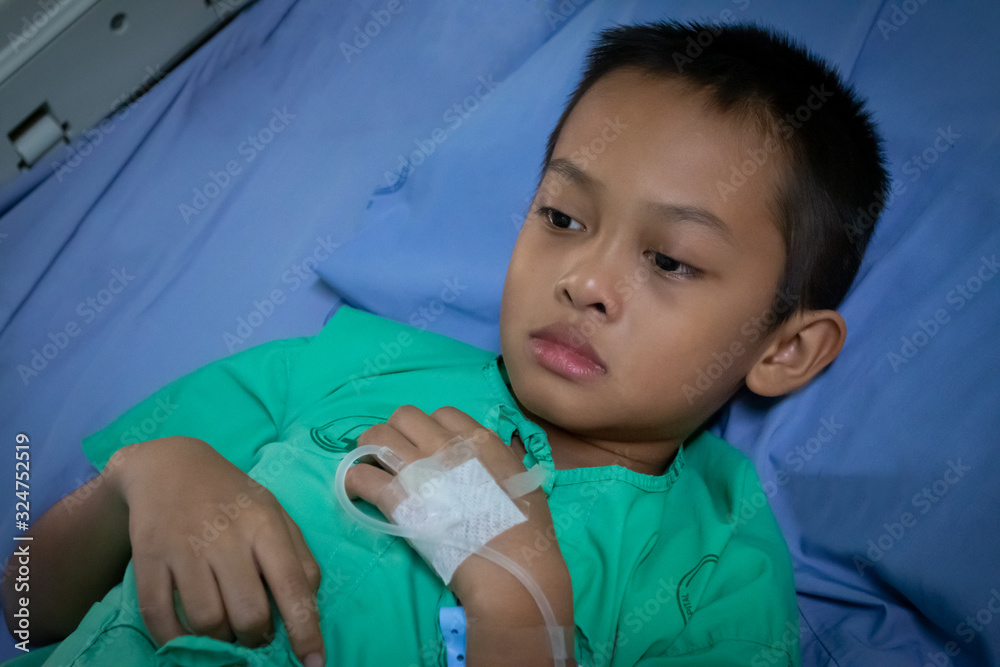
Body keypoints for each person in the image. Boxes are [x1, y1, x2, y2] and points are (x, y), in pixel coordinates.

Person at [1, 20, 887, 666]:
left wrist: (522, 611)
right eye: (563, 217)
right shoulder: (352, 363)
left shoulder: (716, 569)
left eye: (670, 260)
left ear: (786, 349)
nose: (584, 279)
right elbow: (25, 603)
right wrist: (146, 478)